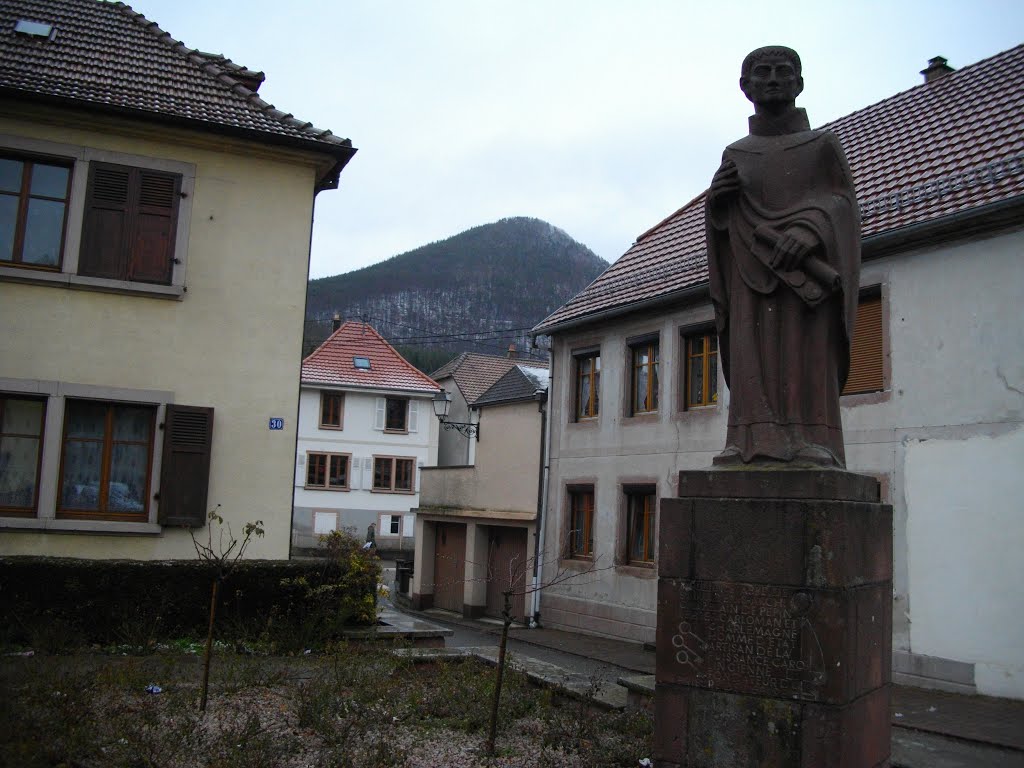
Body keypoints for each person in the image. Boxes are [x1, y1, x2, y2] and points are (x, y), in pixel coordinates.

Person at [706, 46, 861, 467]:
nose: (773, 78)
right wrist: (717, 206)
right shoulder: (735, 153)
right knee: (750, 348)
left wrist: (810, 230)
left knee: (801, 349)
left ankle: (811, 439)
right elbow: (724, 222)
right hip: (748, 272)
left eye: (783, 71)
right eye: (762, 72)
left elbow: (843, 205)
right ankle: (746, 440)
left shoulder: (821, 145)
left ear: (800, 82)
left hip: (803, 279)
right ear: (745, 86)